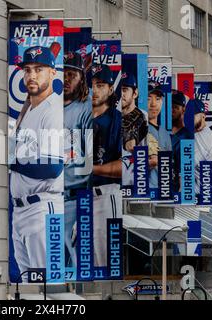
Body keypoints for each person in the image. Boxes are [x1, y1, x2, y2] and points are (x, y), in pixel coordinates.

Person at [9, 45, 64, 277]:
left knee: (47, 286)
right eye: (27, 69)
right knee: (28, 287)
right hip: (21, 211)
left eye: (39, 69)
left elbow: (53, 167)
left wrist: (13, 162)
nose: (31, 75)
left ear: (53, 72)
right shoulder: (31, 107)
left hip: (43, 208)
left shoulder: (53, 111)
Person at [63, 51, 92, 268]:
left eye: (72, 74)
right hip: (45, 198)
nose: (66, 79)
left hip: (74, 198)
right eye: (63, 73)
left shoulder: (85, 108)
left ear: (81, 77)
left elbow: (91, 159)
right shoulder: (46, 105)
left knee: (74, 265)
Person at [91, 64, 123, 267]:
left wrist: (90, 168)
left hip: (104, 195)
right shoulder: (76, 116)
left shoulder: (117, 120)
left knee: (105, 264)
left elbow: (127, 167)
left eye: (100, 85)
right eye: (91, 85)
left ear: (111, 89)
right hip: (74, 197)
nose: (95, 90)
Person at [121, 72, 148, 187]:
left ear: (135, 93)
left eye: (125, 89)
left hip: (134, 182)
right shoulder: (112, 116)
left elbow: (147, 152)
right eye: (119, 90)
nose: (121, 94)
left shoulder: (143, 116)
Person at [147, 81, 172, 190]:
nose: (153, 104)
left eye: (158, 99)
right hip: (142, 193)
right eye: (149, 98)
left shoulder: (165, 133)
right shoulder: (136, 128)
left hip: (164, 191)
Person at [171, 90, 192, 192]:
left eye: (175, 107)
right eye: (169, 106)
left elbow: (186, 169)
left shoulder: (187, 136)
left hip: (175, 192)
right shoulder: (163, 133)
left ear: (183, 109)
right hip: (160, 189)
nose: (172, 110)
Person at [192, 99, 212, 195]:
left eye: (194, 115)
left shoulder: (205, 137)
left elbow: (188, 162)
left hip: (198, 193)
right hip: (193, 190)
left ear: (203, 115)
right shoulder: (195, 133)